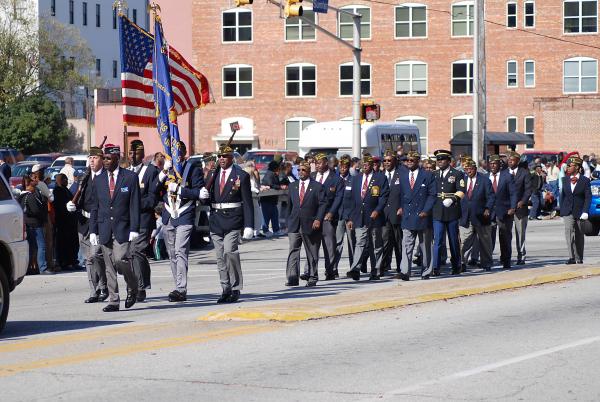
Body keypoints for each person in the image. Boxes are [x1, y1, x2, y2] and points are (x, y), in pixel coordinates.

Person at [89, 144, 141, 312]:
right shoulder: (98, 180)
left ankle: (132, 286)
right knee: (109, 265)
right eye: (103, 158)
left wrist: (135, 228)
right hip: (104, 227)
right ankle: (114, 300)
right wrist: (93, 231)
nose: (104, 161)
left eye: (108, 158)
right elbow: (95, 207)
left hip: (123, 227)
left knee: (120, 259)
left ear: (117, 158)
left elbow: (134, 205)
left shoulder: (130, 178)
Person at [200, 144, 253, 303]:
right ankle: (225, 288)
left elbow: (247, 202)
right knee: (220, 257)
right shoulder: (212, 174)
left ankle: (236, 288)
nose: (221, 159)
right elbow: (208, 198)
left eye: (225, 156)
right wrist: (202, 195)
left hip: (233, 219)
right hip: (216, 219)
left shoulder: (241, 175)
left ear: (231, 158)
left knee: (230, 252)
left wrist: (249, 225)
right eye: (220, 157)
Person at [155, 141, 204, 302]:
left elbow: (199, 192)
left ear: (183, 153)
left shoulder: (193, 169)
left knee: (180, 251)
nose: (175, 155)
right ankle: (178, 285)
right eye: (172, 152)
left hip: (184, 213)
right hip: (169, 214)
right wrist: (163, 171)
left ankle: (181, 288)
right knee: (171, 254)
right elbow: (154, 189)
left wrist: (180, 190)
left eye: (178, 152)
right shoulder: (166, 170)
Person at [67, 147, 108, 303]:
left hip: (98, 223)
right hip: (83, 222)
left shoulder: (106, 177)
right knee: (88, 259)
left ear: (102, 160)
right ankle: (94, 291)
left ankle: (103, 286)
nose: (92, 161)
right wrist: (72, 205)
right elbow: (77, 196)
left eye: (95, 158)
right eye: (90, 158)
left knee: (95, 255)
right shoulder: (85, 177)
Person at [344, 154, 389, 281]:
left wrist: (377, 210)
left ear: (372, 165)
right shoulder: (356, 178)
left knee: (376, 244)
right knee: (360, 242)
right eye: (363, 164)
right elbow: (351, 199)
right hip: (359, 216)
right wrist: (350, 218)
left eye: (367, 164)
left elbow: (384, 196)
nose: (365, 166)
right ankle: (355, 269)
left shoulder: (380, 178)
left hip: (374, 216)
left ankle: (376, 270)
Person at [285, 161, 327, 287]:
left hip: (311, 223)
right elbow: (289, 206)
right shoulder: (293, 186)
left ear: (308, 172)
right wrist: (288, 221)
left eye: (303, 170)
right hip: (295, 223)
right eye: (298, 170)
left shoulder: (317, 186)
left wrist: (318, 219)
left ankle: (313, 276)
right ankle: (292, 277)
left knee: (312, 251)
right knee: (293, 250)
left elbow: (323, 204)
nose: (300, 172)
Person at [397, 151, 437, 280]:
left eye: (412, 160)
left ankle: (426, 271)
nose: (409, 162)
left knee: (424, 245)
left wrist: (426, 210)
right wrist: (400, 207)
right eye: (407, 160)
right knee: (407, 244)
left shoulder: (427, 175)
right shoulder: (403, 175)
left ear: (418, 161)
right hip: (408, 214)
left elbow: (432, 195)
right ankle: (405, 271)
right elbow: (401, 194)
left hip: (422, 214)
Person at [127, 140, 159, 302]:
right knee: (128, 254)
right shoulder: (125, 171)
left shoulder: (150, 171)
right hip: (126, 220)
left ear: (142, 154)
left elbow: (152, 198)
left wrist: (134, 203)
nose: (132, 156)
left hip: (143, 219)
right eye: (131, 153)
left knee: (136, 250)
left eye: (136, 153)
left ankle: (140, 286)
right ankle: (134, 284)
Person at [431, 150, 465, 276]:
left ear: (449, 161)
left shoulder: (457, 174)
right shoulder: (433, 174)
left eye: (442, 159)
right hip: (438, 210)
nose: (439, 162)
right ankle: (436, 267)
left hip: (452, 211)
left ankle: (456, 265)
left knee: (453, 240)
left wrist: (453, 199)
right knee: (438, 240)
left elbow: (462, 190)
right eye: (438, 160)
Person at [311, 153, 344, 280]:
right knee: (312, 246)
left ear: (326, 163)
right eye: (316, 163)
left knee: (329, 245)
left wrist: (331, 212)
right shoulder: (312, 176)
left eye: (319, 163)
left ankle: (330, 270)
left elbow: (338, 197)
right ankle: (311, 271)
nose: (317, 165)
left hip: (327, 216)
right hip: (313, 216)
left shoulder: (336, 178)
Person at [460, 159, 495, 272]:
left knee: (485, 241)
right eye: (466, 169)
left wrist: (487, 208)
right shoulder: (462, 180)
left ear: (475, 169)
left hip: (481, 216)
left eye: (470, 169)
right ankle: (462, 263)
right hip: (466, 216)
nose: (468, 171)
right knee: (465, 241)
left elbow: (491, 196)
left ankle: (487, 262)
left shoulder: (484, 180)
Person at [560, 156, 591, 264]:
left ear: (577, 167)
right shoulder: (564, 180)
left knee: (578, 235)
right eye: (567, 166)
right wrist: (562, 211)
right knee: (568, 232)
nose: (567, 168)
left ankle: (579, 257)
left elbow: (588, 197)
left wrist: (586, 211)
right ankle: (571, 257)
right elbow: (562, 196)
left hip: (580, 211)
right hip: (568, 211)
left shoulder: (585, 181)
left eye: (570, 166)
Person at [488, 155, 517, 270]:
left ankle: (506, 260)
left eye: (495, 163)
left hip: (505, 211)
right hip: (489, 212)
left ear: (500, 165)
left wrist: (513, 207)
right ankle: (488, 261)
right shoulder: (486, 177)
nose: (493, 166)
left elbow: (513, 193)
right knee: (488, 238)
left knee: (504, 237)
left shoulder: (507, 176)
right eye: (491, 164)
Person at [20, 176, 51, 274]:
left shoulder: (22, 196)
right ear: (28, 184)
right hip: (35, 224)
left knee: (31, 247)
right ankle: (43, 268)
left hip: (28, 224)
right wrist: (43, 216)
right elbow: (36, 210)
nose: (35, 182)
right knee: (41, 246)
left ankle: (28, 268)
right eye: (33, 181)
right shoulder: (30, 196)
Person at [507, 152, 532, 265]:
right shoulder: (504, 172)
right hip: (506, 208)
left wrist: (523, 201)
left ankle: (521, 255)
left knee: (520, 233)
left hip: (520, 207)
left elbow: (528, 189)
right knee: (505, 233)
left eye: (512, 159)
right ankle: (506, 256)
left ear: (517, 161)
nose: (510, 161)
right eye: (508, 159)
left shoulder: (525, 173)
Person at [332, 156, 355, 276]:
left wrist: (352, 217)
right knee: (337, 242)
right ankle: (334, 268)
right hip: (339, 216)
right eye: (341, 167)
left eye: (345, 167)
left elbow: (355, 200)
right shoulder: (334, 179)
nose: (343, 169)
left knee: (352, 243)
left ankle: (353, 268)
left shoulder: (353, 180)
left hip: (350, 216)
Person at [382, 150, 403, 275]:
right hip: (384, 214)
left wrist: (402, 207)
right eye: (385, 161)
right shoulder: (379, 175)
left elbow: (406, 193)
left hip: (397, 213)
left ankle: (401, 267)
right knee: (384, 242)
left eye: (389, 160)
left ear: (395, 161)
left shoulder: (401, 174)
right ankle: (383, 267)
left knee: (398, 242)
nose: (387, 163)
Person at [53, 173, 80, 270]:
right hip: (63, 222)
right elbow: (61, 205)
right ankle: (64, 262)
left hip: (70, 221)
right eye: (65, 179)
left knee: (72, 242)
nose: (67, 181)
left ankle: (72, 261)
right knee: (63, 243)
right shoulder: (58, 190)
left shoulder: (65, 189)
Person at [261, 160, 286, 236]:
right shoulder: (269, 174)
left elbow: (275, 183)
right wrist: (280, 187)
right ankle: (266, 231)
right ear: (275, 167)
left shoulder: (273, 174)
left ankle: (276, 230)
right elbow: (270, 184)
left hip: (272, 199)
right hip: (267, 199)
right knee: (266, 216)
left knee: (274, 215)